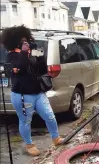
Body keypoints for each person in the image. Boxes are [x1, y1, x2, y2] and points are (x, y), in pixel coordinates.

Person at [1, 25, 63, 156]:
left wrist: (39, 55)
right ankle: (29, 145)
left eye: (26, 40)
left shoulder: (29, 54)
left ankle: (56, 138)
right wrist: (24, 52)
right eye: (23, 41)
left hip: (38, 93)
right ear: (15, 41)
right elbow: (20, 68)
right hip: (22, 95)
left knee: (49, 116)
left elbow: (42, 70)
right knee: (25, 121)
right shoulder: (11, 56)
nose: (26, 43)